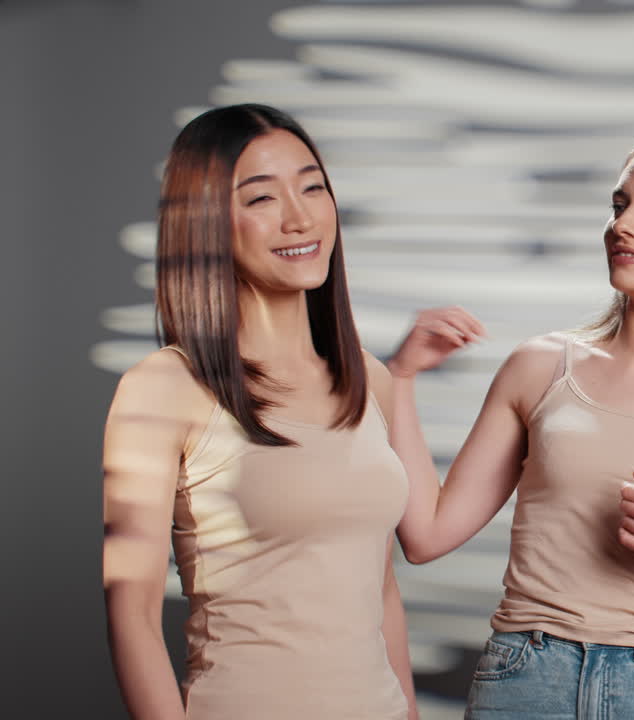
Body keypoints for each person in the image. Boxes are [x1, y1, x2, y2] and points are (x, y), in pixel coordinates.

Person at [383, 122, 634, 719]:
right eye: (620, 205)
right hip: (524, 679)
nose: (624, 225)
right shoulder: (539, 367)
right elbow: (425, 535)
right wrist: (399, 379)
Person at [102, 104, 418, 720]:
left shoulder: (369, 378)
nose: (300, 217)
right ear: (207, 224)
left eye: (312, 186)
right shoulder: (164, 388)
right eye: (261, 199)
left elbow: (379, 592)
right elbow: (132, 612)